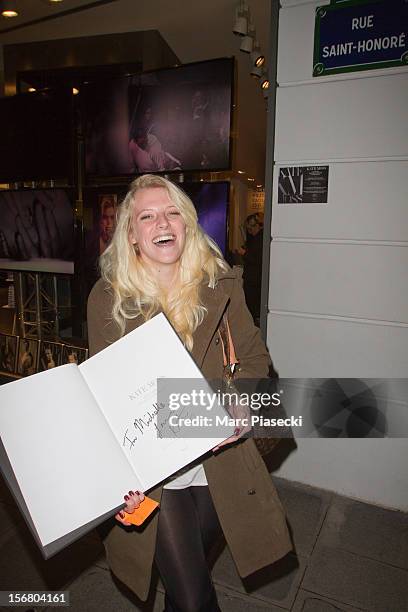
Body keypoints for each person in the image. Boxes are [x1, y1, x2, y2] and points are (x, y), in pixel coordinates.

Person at [87, 175, 291, 611]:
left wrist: (240, 403)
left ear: (187, 223)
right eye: (147, 215)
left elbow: (255, 360)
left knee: (185, 584)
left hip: (219, 460)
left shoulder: (221, 285)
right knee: (196, 597)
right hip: (156, 474)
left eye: (172, 212)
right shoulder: (107, 300)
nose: (162, 222)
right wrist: (118, 477)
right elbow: (104, 397)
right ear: (132, 234)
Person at [236, 213, 264, 326]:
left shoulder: (260, 239)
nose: (249, 231)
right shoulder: (256, 238)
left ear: (256, 226)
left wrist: (245, 253)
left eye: (250, 228)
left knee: (252, 306)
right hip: (252, 278)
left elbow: (257, 259)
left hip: (254, 279)